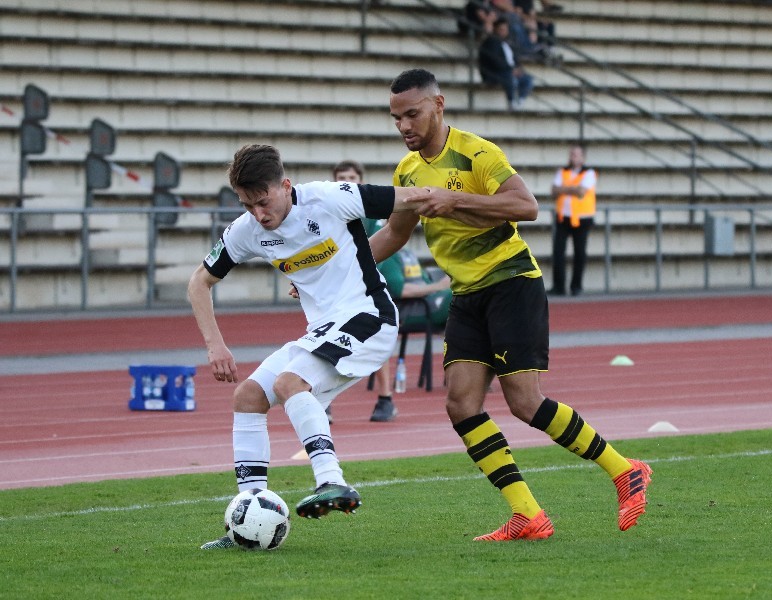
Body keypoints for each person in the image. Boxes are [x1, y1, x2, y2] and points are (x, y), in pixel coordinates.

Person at [370, 68, 652, 541]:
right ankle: (528, 515)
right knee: (461, 404)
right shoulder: (407, 172)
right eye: (396, 118)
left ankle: (625, 470)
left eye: (412, 114)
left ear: (438, 105)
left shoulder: (477, 153)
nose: (404, 126)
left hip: (511, 282)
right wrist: (337, 267)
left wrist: (455, 200)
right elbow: (395, 234)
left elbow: (527, 206)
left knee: (524, 401)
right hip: (466, 295)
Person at [187, 143, 430, 549]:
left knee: (289, 382)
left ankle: (331, 481)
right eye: (247, 205)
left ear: (285, 186)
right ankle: (248, 516)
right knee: (248, 397)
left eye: (263, 202)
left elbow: (411, 198)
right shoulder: (247, 231)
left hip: (370, 315)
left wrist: (470, 202)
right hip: (322, 328)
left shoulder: (328, 198)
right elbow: (199, 281)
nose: (258, 214)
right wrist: (216, 346)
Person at [332, 159, 451, 422]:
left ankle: (385, 398)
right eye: (341, 178)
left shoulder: (372, 217)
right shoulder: (328, 215)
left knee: (375, 337)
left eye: (351, 178)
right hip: (330, 289)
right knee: (326, 341)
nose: (346, 183)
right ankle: (324, 401)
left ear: (360, 181)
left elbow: (381, 246)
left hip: (365, 287)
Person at [549, 144, 597, 296]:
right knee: (558, 252)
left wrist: (563, 189)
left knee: (579, 253)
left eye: (576, 154)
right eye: (571, 154)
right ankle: (559, 286)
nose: (573, 157)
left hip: (582, 219)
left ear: (583, 157)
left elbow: (581, 192)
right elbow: (554, 191)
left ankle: (576, 286)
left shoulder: (589, 173)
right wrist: (573, 189)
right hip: (563, 217)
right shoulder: (562, 171)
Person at [478, 16, 534, 110]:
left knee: (527, 79)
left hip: (508, 72)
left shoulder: (507, 42)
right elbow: (495, 62)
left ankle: (520, 102)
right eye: (501, 29)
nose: (503, 32)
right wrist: (511, 70)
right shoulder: (491, 42)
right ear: (495, 29)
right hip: (494, 73)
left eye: (505, 29)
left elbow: (514, 60)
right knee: (510, 77)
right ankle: (511, 102)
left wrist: (519, 69)